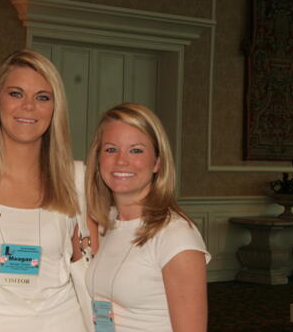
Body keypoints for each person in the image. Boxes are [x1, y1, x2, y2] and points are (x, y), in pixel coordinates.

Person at [0, 49, 88, 332]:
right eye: (16, 94)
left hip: (62, 323)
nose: (29, 106)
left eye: (42, 97)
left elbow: (93, 269)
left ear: (54, 108)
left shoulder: (76, 177)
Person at [85, 102, 210, 332]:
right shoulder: (106, 224)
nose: (121, 160)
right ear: (98, 158)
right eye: (111, 149)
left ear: (157, 162)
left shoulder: (176, 236)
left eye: (136, 150)